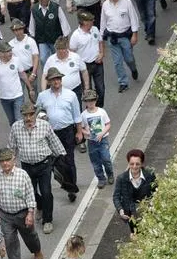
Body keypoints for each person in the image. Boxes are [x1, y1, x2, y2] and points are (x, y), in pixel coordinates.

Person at [7, 103, 66, 234]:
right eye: (25, 115)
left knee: (46, 192)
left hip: (44, 164)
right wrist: (10, 164)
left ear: (35, 114)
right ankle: (39, 206)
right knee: (30, 193)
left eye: (31, 115)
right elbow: (11, 148)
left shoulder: (44, 126)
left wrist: (62, 157)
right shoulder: (16, 128)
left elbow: (54, 141)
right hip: (26, 166)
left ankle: (47, 220)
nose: (28, 118)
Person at [0, 147, 43, 259]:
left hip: (22, 213)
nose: (5, 163)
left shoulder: (22, 175)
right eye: (2, 161)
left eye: (8, 160)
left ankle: (36, 250)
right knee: (10, 242)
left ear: (13, 160)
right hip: (5, 215)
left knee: (30, 235)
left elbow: (31, 195)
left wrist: (30, 213)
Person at [35, 67, 84, 204]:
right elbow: (37, 112)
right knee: (52, 162)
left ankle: (71, 189)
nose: (56, 81)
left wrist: (79, 132)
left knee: (69, 160)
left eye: (58, 78)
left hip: (67, 131)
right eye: (53, 79)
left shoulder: (71, 95)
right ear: (49, 81)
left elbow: (77, 115)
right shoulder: (42, 96)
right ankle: (55, 186)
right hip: (50, 133)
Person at [100, 0, 141, 97]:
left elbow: (134, 18)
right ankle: (123, 82)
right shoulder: (105, 5)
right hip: (112, 37)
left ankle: (133, 69)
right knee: (117, 61)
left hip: (125, 36)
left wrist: (134, 34)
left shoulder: (127, 2)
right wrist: (101, 38)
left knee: (129, 58)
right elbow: (103, 21)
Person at [112, 148, 157, 238]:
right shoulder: (121, 178)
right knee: (136, 233)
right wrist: (120, 210)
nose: (134, 166)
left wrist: (154, 204)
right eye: (131, 164)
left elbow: (156, 191)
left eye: (137, 164)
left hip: (147, 210)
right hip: (130, 212)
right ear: (128, 163)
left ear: (142, 164)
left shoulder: (150, 175)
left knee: (150, 232)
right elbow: (116, 196)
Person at [0, 40, 32, 126]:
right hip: (4, 98)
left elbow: (23, 75)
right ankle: (16, 138)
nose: (10, 53)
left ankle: (22, 139)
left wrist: (30, 88)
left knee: (19, 121)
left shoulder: (16, 60)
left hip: (18, 96)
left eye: (10, 50)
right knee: (12, 122)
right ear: (0, 53)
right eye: (7, 51)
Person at [69, 10, 105, 108]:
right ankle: (90, 110)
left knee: (101, 89)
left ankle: (99, 109)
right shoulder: (76, 36)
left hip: (97, 63)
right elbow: (72, 52)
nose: (93, 21)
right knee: (87, 91)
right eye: (90, 20)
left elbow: (100, 42)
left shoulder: (95, 29)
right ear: (84, 22)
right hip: (85, 67)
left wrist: (101, 53)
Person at [79, 89, 114, 189]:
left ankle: (110, 174)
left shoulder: (102, 112)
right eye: (88, 101)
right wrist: (87, 133)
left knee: (106, 158)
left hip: (103, 140)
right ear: (85, 102)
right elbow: (80, 128)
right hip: (91, 141)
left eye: (92, 100)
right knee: (95, 162)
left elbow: (108, 124)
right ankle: (101, 179)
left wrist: (102, 133)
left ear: (95, 100)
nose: (90, 103)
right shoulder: (84, 115)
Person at [29, 0, 72, 67]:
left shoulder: (56, 7)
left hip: (56, 40)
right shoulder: (34, 10)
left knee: (58, 59)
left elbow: (64, 23)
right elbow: (32, 25)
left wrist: (66, 39)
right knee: (43, 58)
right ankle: (47, 75)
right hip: (42, 40)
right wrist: (33, 38)